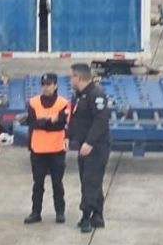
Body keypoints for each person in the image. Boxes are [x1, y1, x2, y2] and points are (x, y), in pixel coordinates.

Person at [67, 63, 112, 233]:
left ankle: (86, 216)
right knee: (91, 180)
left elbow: (101, 121)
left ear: (79, 77)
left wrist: (90, 143)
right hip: (83, 145)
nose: (70, 79)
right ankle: (98, 215)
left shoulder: (96, 95)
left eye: (71, 76)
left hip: (96, 146)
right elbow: (75, 119)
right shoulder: (78, 96)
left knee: (90, 181)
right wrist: (68, 137)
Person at [22, 73, 69, 224]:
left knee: (57, 183)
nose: (46, 87)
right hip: (38, 149)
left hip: (56, 149)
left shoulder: (63, 103)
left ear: (55, 85)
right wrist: (50, 121)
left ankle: (60, 212)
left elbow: (62, 123)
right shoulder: (33, 102)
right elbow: (32, 122)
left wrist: (43, 122)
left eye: (49, 84)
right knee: (38, 184)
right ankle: (36, 212)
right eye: (44, 84)